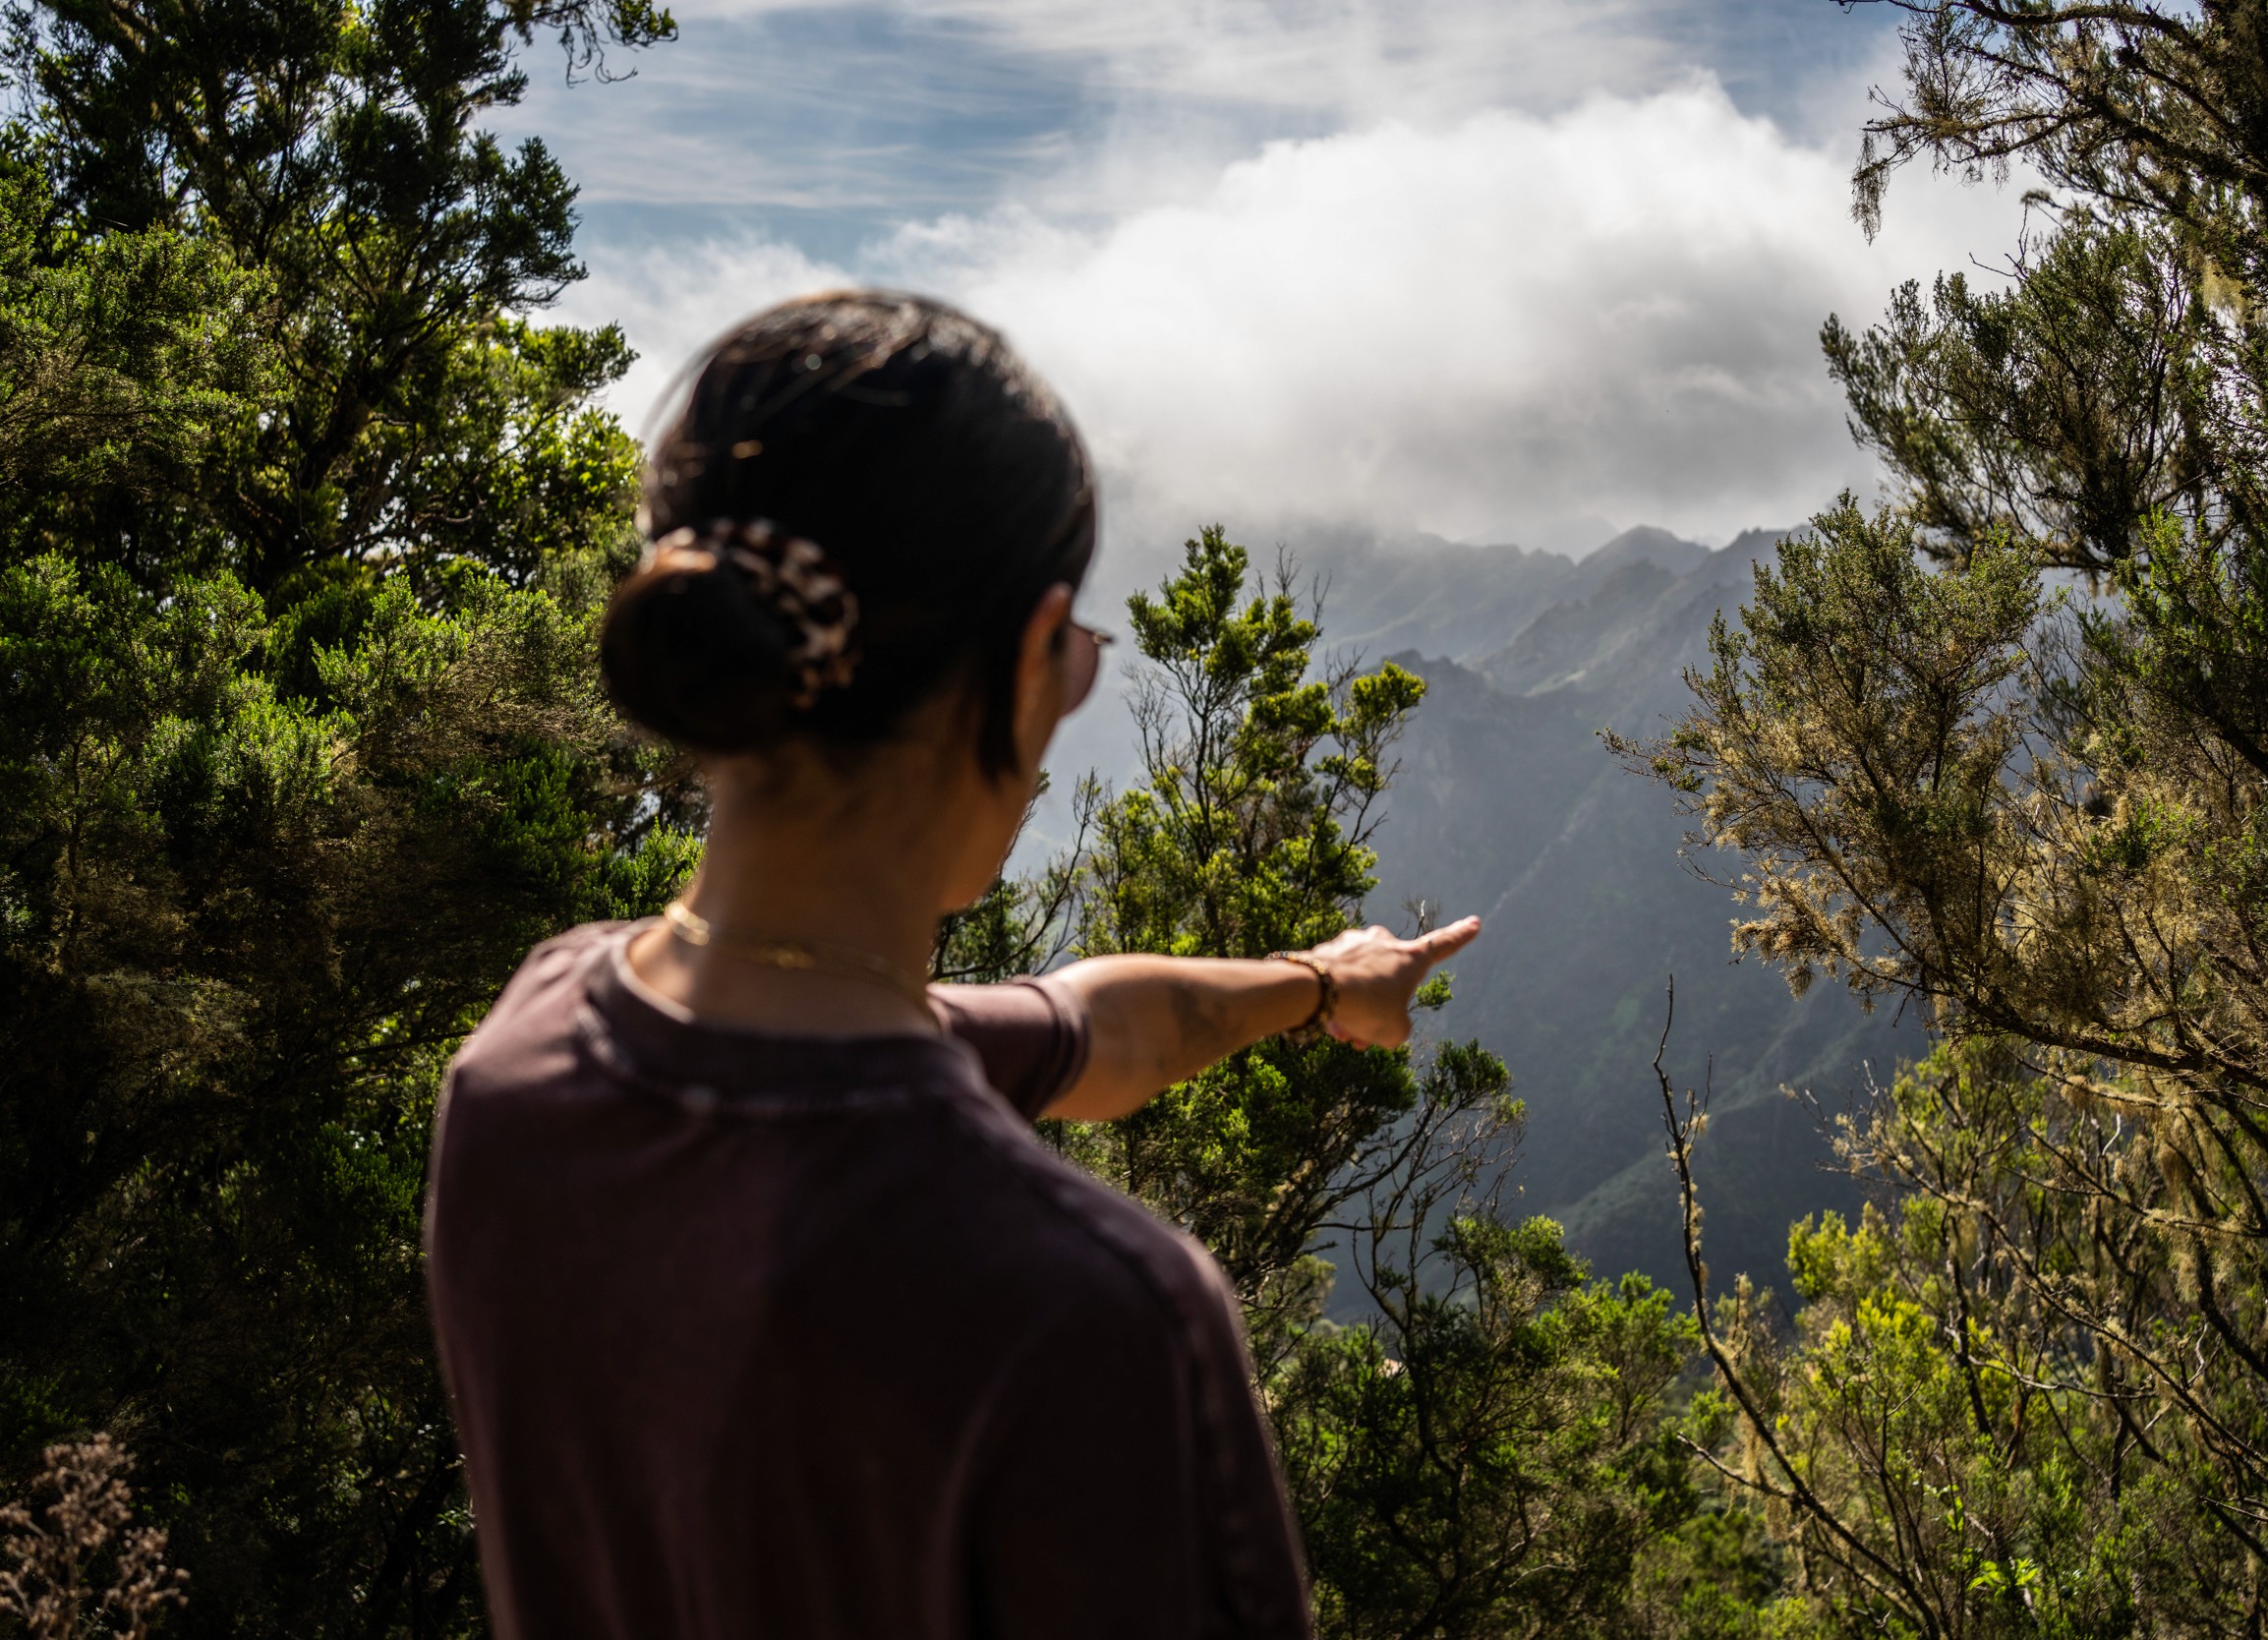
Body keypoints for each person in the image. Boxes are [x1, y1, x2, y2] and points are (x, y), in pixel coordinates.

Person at [424, 291, 1481, 1640]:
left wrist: (1327, 982)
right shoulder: (1089, 1320)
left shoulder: (528, 1062)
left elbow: (1098, 1031)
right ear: (1032, 659)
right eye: (1082, 656)